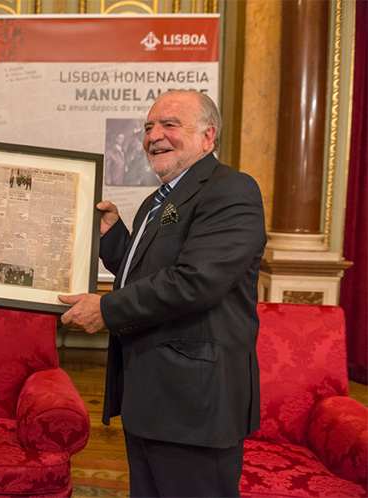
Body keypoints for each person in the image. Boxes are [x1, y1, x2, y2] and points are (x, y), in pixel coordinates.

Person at [59, 90, 266, 497]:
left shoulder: (231, 190)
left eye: (170, 124)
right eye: (149, 127)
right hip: (150, 398)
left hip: (195, 407)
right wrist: (113, 236)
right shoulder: (159, 200)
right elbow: (150, 274)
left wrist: (106, 310)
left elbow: (195, 282)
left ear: (208, 136)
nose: (155, 135)